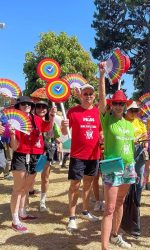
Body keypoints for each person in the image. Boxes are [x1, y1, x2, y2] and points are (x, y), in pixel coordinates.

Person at [98, 62, 137, 249]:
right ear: (111, 104)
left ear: (125, 105)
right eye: (116, 103)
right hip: (113, 166)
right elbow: (100, 99)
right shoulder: (107, 119)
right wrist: (101, 75)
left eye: (122, 103)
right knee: (109, 208)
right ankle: (105, 246)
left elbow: (130, 145)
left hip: (129, 166)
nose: (119, 106)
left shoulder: (130, 125)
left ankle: (115, 235)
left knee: (120, 202)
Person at [9, 96, 56, 233]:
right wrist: (12, 134)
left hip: (36, 156)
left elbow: (47, 128)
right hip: (21, 155)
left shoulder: (36, 119)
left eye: (29, 104)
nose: (27, 106)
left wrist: (52, 117)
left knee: (26, 187)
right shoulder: (15, 121)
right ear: (18, 106)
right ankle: (15, 220)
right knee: (18, 188)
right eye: (23, 104)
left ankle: (22, 213)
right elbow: (14, 147)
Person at [61, 84, 101, 231]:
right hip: (78, 155)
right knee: (75, 186)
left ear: (94, 96)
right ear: (81, 95)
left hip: (93, 155)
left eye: (91, 93)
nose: (88, 96)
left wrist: (102, 138)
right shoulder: (72, 111)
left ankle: (85, 211)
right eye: (85, 93)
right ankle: (72, 217)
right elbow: (64, 132)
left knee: (88, 185)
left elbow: (101, 132)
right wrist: (64, 126)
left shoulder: (98, 112)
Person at [34, 100, 61, 212]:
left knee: (45, 177)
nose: (41, 109)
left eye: (44, 107)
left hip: (45, 153)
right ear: (35, 109)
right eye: (38, 106)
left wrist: (60, 144)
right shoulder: (31, 121)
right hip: (32, 152)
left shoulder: (52, 122)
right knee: (29, 178)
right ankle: (24, 202)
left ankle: (42, 201)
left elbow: (57, 137)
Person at [124, 101, 147, 205]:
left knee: (139, 175)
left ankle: (137, 200)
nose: (134, 112)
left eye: (136, 110)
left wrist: (145, 144)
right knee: (128, 176)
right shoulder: (122, 121)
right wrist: (133, 139)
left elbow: (145, 133)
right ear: (126, 110)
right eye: (131, 110)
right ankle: (126, 200)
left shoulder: (139, 121)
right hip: (127, 150)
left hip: (139, 150)